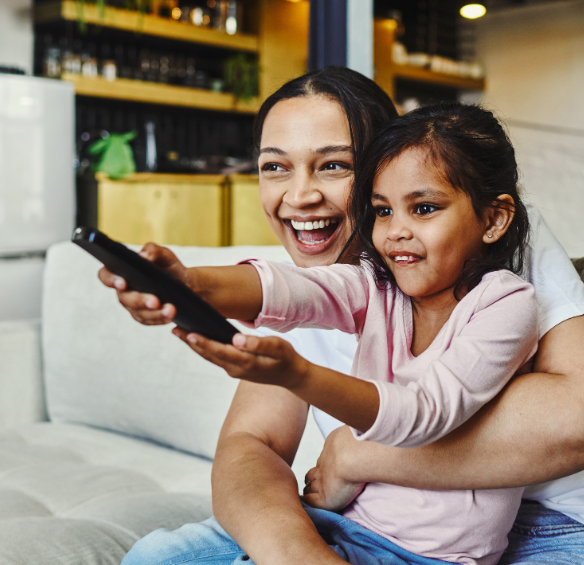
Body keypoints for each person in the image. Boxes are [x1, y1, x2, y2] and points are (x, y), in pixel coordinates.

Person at [99, 67, 584, 564]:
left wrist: (355, 454)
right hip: (366, 518)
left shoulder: (495, 250)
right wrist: (191, 284)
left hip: (538, 523)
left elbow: (576, 416)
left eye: (333, 166)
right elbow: (253, 437)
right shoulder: (361, 282)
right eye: (274, 166)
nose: (300, 195)